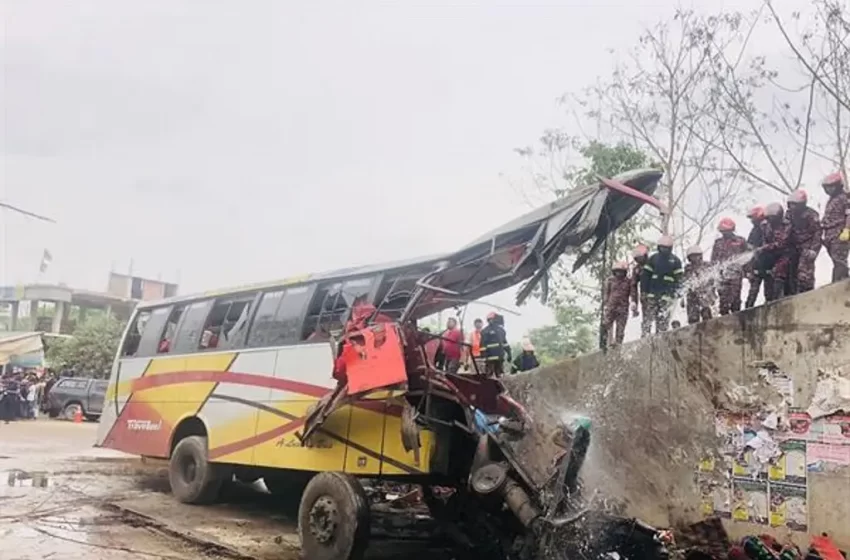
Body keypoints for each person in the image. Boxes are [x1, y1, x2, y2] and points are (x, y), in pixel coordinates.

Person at [640, 235, 684, 334]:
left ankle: (661, 336)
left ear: (670, 248)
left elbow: (680, 279)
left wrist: (679, 294)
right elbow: (645, 277)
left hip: (667, 296)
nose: (664, 249)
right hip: (653, 294)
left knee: (663, 318)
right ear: (659, 247)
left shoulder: (675, 260)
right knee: (648, 317)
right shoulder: (653, 259)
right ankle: (645, 336)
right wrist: (643, 291)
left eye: (666, 248)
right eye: (662, 247)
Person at [786, 189, 821, 294]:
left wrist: (813, 250)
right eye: (791, 204)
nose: (793, 207)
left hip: (807, 246)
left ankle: (808, 294)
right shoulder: (788, 215)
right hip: (793, 247)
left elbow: (817, 233)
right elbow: (785, 230)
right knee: (790, 273)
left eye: (795, 204)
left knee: (805, 274)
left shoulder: (811, 214)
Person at [711, 217, 748, 315]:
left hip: (735, 274)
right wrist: (714, 275)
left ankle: (737, 319)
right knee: (723, 302)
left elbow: (746, 257)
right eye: (723, 231)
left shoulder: (741, 241)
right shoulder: (718, 243)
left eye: (726, 231)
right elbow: (714, 260)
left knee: (735, 299)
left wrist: (748, 272)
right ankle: (724, 320)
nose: (725, 233)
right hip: (722, 275)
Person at [759, 202, 793, 301]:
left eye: (772, 217)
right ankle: (769, 299)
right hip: (770, 255)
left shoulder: (786, 225)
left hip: (785, 254)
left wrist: (765, 247)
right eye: (768, 218)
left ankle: (779, 296)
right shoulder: (765, 226)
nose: (770, 220)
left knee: (779, 272)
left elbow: (782, 243)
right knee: (766, 273)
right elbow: (765, 239)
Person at [821, 172, 850, 282]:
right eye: (827, 187)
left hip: (840, 233)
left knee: (840, 262)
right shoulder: (831, 200)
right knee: (836, 261)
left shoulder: (844, 198)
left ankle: (838, 284)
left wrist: (847, 229)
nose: (828, 190)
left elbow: (849, 214)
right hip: (829, 235)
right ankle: (844, 283)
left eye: (831, 187)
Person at [602, 260, 631, 347]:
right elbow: (606, 293)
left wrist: (634, 303)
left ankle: (618, 344)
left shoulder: (628, 281)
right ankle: (604, 343)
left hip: (623, 308)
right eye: (618, 271)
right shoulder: (610, 280)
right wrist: (606, 303)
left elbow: (633, 293)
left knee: (620, 328)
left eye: (621, 271)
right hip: (611, 306)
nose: (619, 273)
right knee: (606, 324)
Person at [744, 206, 769, 308]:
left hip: (768, 265)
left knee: (770, 292)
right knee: (753, 292)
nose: (751, 221)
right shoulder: (754, 230)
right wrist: (749, 268)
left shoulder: (768, 226)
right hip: (757, 265)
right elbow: (749, 247)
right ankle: (747, 310)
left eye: (753, 218)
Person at [682, 245, 714, 324]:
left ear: (701, 256)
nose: (695, 258)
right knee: (693, 318)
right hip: (692, 295)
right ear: (689, 258)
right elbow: (684, 282)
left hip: (704, 294)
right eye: (693, 256)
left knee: (706, 315)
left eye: (697, 255)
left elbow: (712, 280)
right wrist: (682, 299)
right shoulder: (688, 268)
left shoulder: (707, 266)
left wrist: (712, 293)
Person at [629, 244, 652, 337]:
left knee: (661, 317)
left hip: (658, 293)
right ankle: (645, 335)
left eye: (640, 257)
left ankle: (662, 333)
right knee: (646, 318)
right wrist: (634, 301)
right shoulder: (637, 269)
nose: (638, 260)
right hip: (645, 296)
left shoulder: (654, 263)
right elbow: (633, 286)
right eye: (637, 258)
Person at [480, 312, 511, 377]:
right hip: (490, 358)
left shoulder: (501, 330)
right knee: (489, 376)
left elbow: (505, 343)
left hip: (499, 357)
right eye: (490, 319)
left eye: (492, 319)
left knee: (500, 376)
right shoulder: (485, 331)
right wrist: (483, 355)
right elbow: (482, 345)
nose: (491, 321)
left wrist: (509, 353)